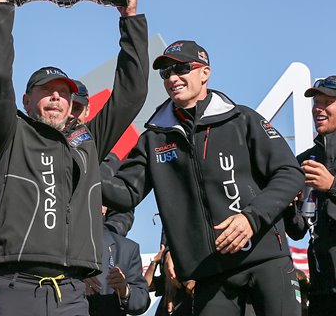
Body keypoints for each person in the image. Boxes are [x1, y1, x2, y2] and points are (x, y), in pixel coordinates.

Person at [0, 0, 149, 316]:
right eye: (45, 91)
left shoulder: (87, 141)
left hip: (71, 291)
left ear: (72, 104)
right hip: (15, 286)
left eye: (63, 93)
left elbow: (131, 94)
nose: (55, 98)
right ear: (27, 101)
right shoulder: (9, 133)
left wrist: (130, 18)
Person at [102, 40, 305, 315]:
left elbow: (290, 173)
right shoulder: (154, 138)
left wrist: (251, 217)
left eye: (181, 68)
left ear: (205, 73)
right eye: (165, 73)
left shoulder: (242, 119)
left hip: (265, 260)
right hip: (208, 274)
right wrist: (80, 172)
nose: (172, 78)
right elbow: (126, 193)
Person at [283, 76, 336, 315]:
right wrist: (287, 206)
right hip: (321, 288)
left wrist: (332, 185)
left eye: (328, 101)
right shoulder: (306, 160)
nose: (319, 108)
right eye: (316, 102)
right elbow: (298, 230)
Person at [71, 79, 135, 237]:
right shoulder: (40, 152)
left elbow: (123, 212)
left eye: (78, 108)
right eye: (69, 107)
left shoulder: (110, 162)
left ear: (87, 110)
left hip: (94, 251)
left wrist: (105, 238)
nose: (72, 115)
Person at [84, 206, 150, 316]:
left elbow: (141, 302)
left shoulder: (127, 248)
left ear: (104, 208)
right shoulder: (55, 243)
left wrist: (125, 291)